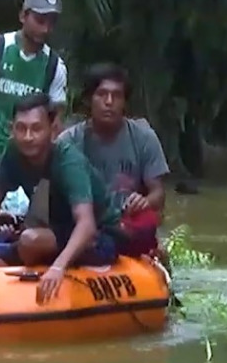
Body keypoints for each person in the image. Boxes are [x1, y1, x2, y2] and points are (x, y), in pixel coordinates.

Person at [0, 93, 132, 304]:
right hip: (55, 232)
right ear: (11, 129)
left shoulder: (68, 160)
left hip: (99, 237)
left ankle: (47, 265)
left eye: (36, 129)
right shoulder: (13, 152)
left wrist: (58, 267)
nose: (28, 137)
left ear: (53, 130)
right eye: (21, 128)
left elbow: (86, 224)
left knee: (30, 240)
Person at [0, 0, 69, 209]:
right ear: (23, 16)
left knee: (29, 220)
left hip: (30, 160)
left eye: (51, 23)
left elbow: (56, 119)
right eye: (40, 20)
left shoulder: (55, 66)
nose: (45, 29)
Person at [57, 63, 170, 257]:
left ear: (125, 102)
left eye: (116, 96)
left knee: (146, 223)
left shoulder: (144, 138)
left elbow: (158, 194)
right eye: (102, 94)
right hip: (84, 225)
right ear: (88, 100)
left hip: (126, 225)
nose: (109, 102)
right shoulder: (68, 141)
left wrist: (144, 201)